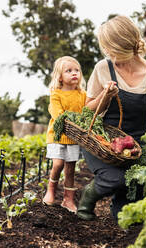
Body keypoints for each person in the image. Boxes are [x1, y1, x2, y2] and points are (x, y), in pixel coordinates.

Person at [77, 15, 146, 221]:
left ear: (122, 46)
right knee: (114, 179)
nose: (107, 53)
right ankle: (88, 196)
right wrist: (105, 96)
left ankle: (117, 202)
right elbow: (87, 110)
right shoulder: (103, 68)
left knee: (126, 216)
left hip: (133, 149)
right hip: (101, 142)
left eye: (109, 48)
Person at [43, 56, 87, 213]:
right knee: (58, 164)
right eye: (69, 71)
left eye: (77, 70)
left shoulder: (82, 94)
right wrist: (75, 121)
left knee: (70, 169)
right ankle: (51, 190)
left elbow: (88, 110)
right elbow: (58, 114)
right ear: (60, 76)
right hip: (57, 135)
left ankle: (68, 200)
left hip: (74, 138)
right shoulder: (56, 94)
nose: (74, 73)